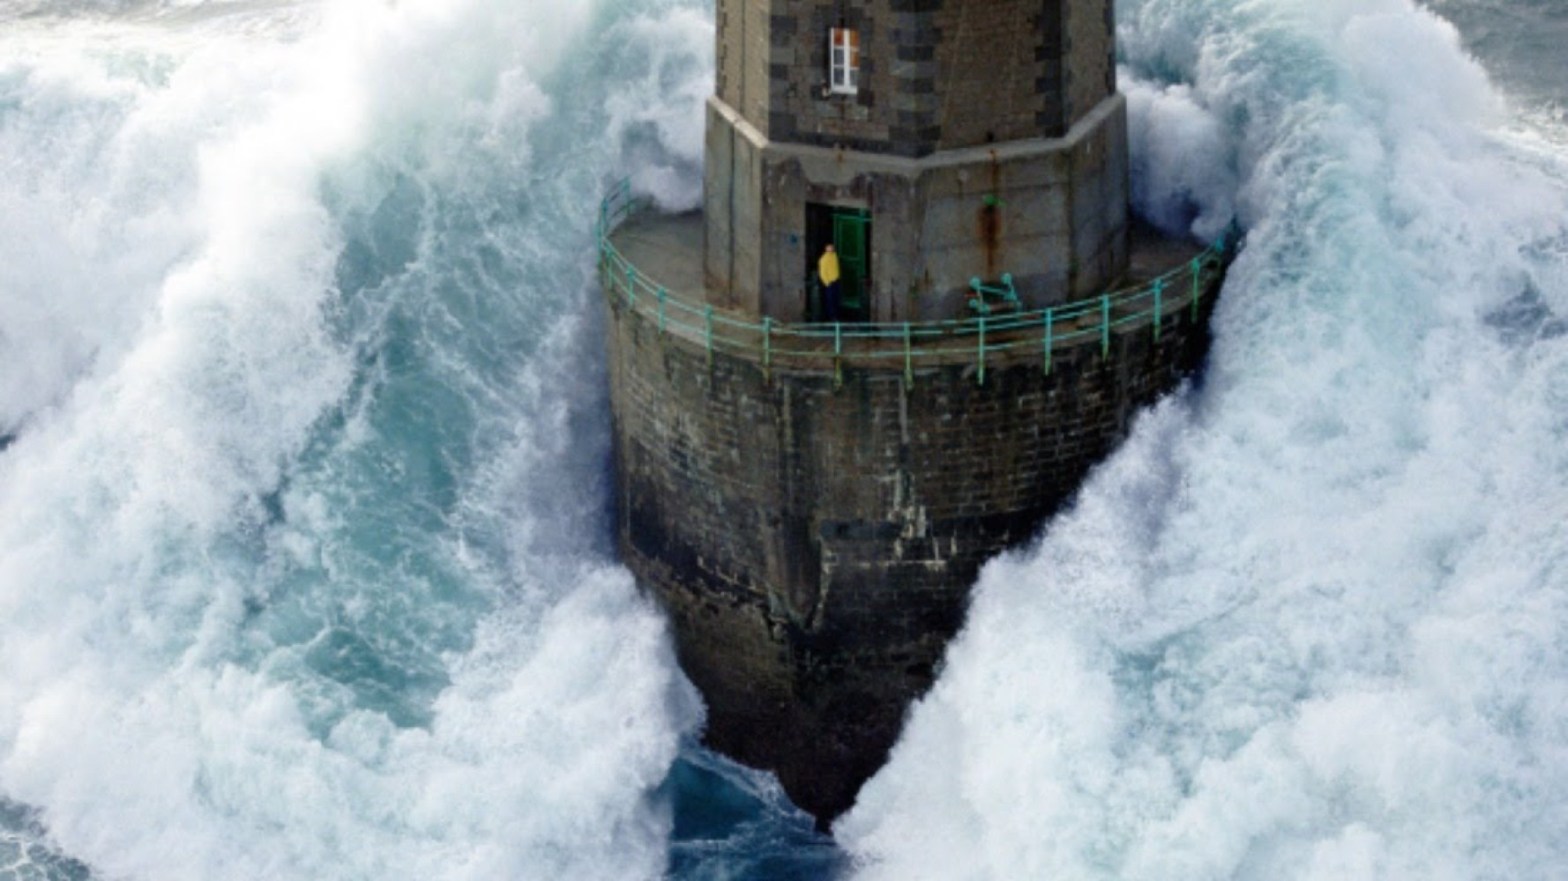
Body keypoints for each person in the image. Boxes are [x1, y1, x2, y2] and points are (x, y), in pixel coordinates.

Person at [818, 243, 841, 322]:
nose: (832, 249)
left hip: (836, 280)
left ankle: (836, 314)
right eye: (830, 248)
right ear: (826, 249)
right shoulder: (824, 259)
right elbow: (822, 273)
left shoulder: (834, 256)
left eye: (832, 247)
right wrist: (827, 283)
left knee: (836, 299)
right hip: (830, 282)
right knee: (830, 300)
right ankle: (831, 316)